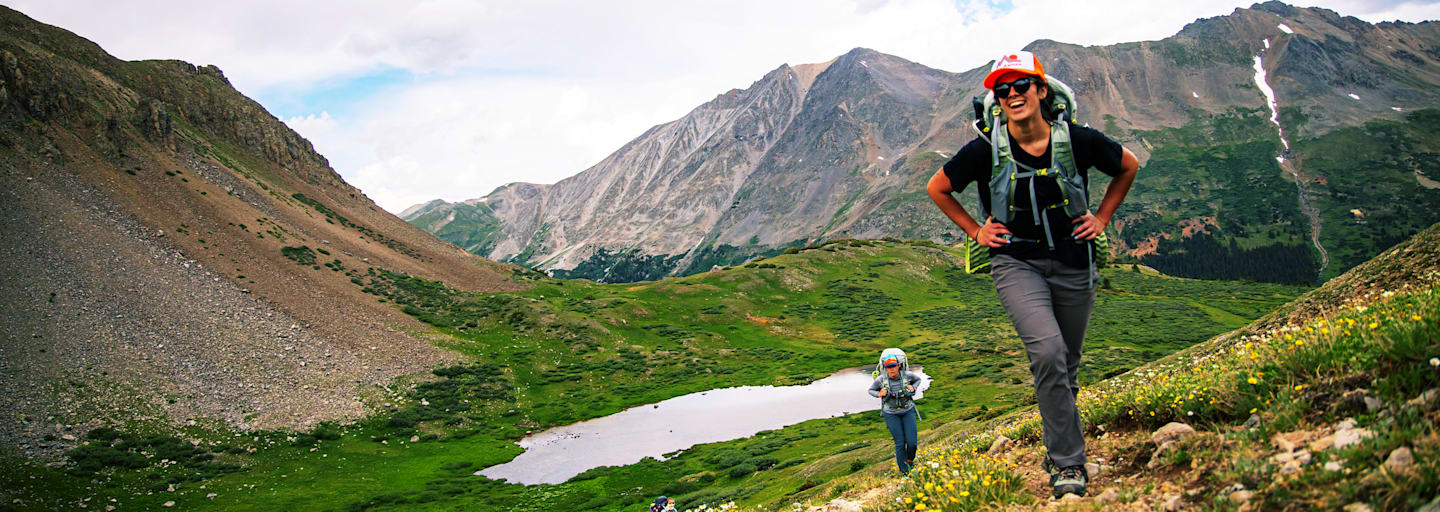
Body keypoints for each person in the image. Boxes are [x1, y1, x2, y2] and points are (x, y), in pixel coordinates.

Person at [925, 50, 1139, 498]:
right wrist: (976, 230)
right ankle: (1068, 464)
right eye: (1002, 90)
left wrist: (1101, 218)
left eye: (1021, 85)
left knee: (1067, 362)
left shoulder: (1077, 139)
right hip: (1015, 263)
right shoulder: (985, 150)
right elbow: (938, 188)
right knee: (1047, 352)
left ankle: (1059, 441)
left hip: (1075, 260)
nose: (1012, 95)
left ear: (1042, 90)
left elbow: (1127, 166)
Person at [868, 349, 923, 476]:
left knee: (912, 443)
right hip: (891, 414)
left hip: (908, 410)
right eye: (889, 367)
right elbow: (870, 390)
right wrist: (878, 394)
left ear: (899, 366)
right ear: (885, 368)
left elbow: (918, 380)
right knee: (900, 443)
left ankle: (909, 461)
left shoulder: (908, 376)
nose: (892, 369)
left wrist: (913, 387)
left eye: (894, 366)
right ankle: (905, 472)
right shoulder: (881, 380)